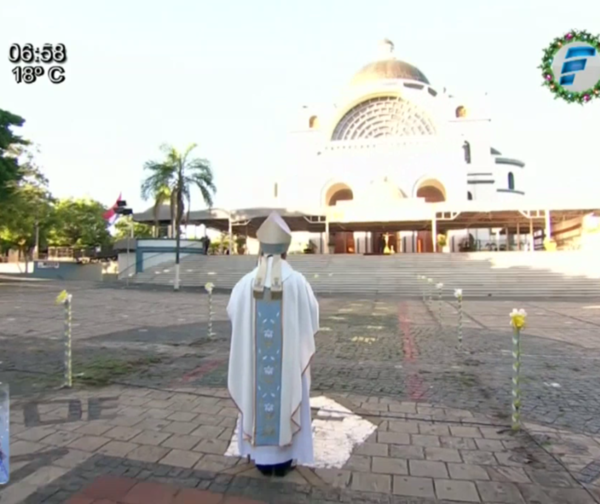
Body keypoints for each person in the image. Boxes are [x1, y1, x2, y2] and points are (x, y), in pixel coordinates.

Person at [227, 212, 319, 477]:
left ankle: (260, 457)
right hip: (287, 364)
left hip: (256, 368)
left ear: (261, 248)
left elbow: (233, 312)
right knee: (288, 392)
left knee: (257, 394)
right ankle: (284, 459)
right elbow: (313, 318)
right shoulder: (298, 282)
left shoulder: (245, 283)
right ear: (285, 251)